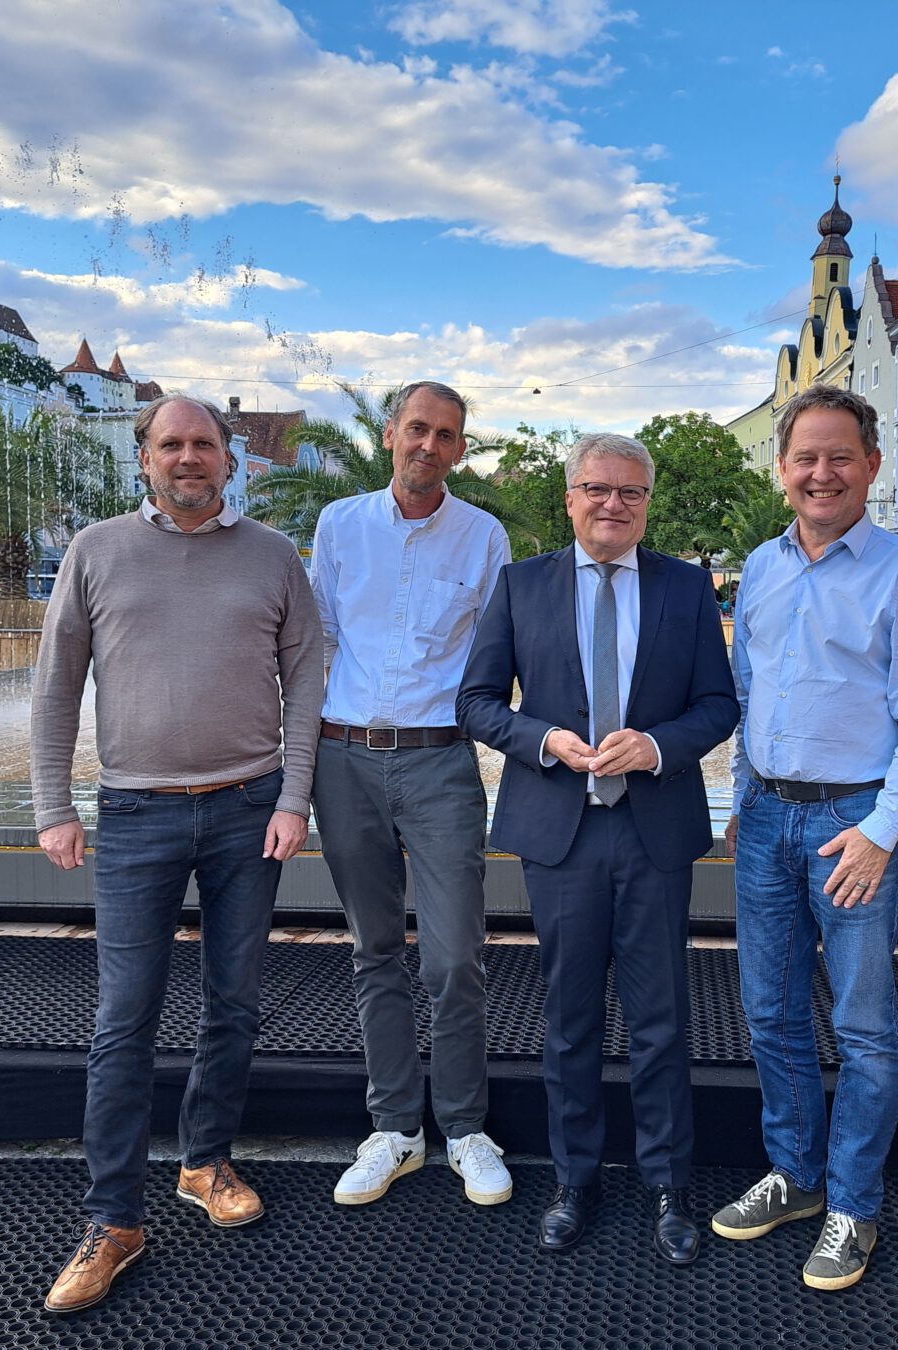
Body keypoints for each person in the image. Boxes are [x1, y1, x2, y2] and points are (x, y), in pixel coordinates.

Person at [31, 393, 324, 1314]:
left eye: (204, 444)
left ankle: (205, 1163)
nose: (188, 457)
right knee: (125, 1019)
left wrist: (294, 795)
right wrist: (53, 806)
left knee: (234, 1004)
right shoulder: (97, 550)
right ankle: (114, 1218)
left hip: (248, 813)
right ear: (145, 457)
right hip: (134, 814)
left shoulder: (275, 557)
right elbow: (54, 687)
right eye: (172, 444)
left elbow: (308, 676)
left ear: (229, 460)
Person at [457, 432, 738, 1265]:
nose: (612, 504)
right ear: (569, 497)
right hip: (560, 830)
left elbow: (719, 705)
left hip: (653, 827)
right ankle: (574, 1179)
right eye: (596, 489)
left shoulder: (689, 589)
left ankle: (667, 1184)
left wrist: (657, 747)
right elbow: (475, 702)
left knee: (661, 1019)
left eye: (630, 492)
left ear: (647, 504)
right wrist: (543, 739)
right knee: (570, 1018)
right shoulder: (520, 586)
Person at [713, 384, 898, 1291]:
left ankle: (854, 1205)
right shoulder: (761, 567)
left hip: (856, 824)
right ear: (783, 471)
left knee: (861, 1026)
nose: (822, 472)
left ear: (872, 466)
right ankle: (796, 1177)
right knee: (770, 1011)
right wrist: (743, 798)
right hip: (769, 817)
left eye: (839, 456)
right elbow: (747, 697)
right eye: (805, 458)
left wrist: (881, 835)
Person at [308, 381, 515, 1209]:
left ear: (461, 449)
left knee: (456, 954)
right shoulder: (339, 525)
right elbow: (313, 642)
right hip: (344, 757)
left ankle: (464, 1127)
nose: (429, 445)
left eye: (447, 435)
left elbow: (501, 655)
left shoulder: (484, 536)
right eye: (417, 429)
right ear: (392, 434)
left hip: (438, 763)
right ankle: (395, 1128)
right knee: (373, 950)